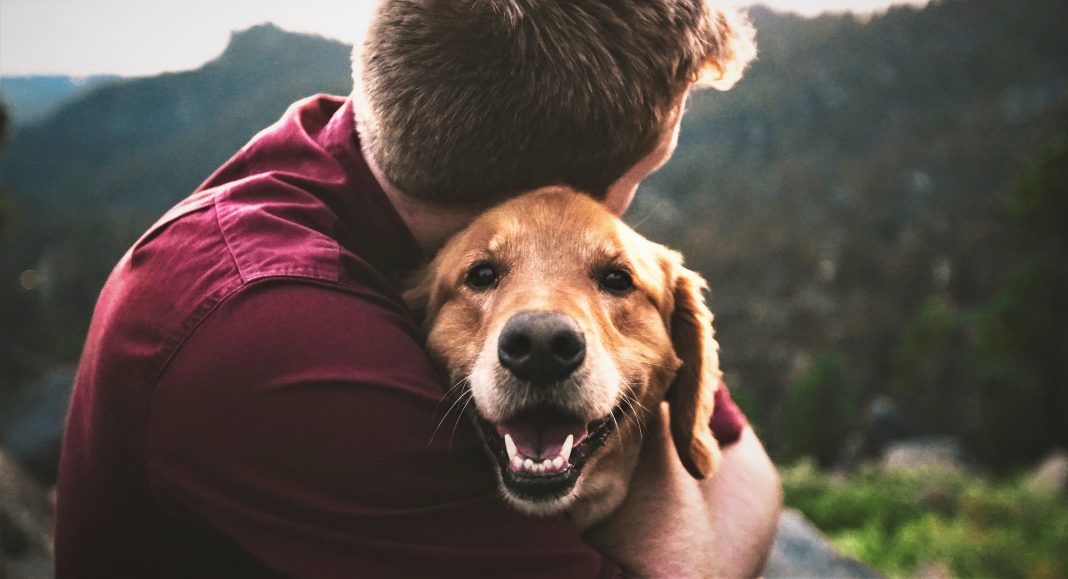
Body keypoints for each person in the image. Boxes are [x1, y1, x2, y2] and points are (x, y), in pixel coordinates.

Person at [54, 0, 780, 576]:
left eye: (611, 269)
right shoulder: (277, 340)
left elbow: (743, 462)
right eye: (639, 178)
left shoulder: (370, 150)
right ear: (548, 190)